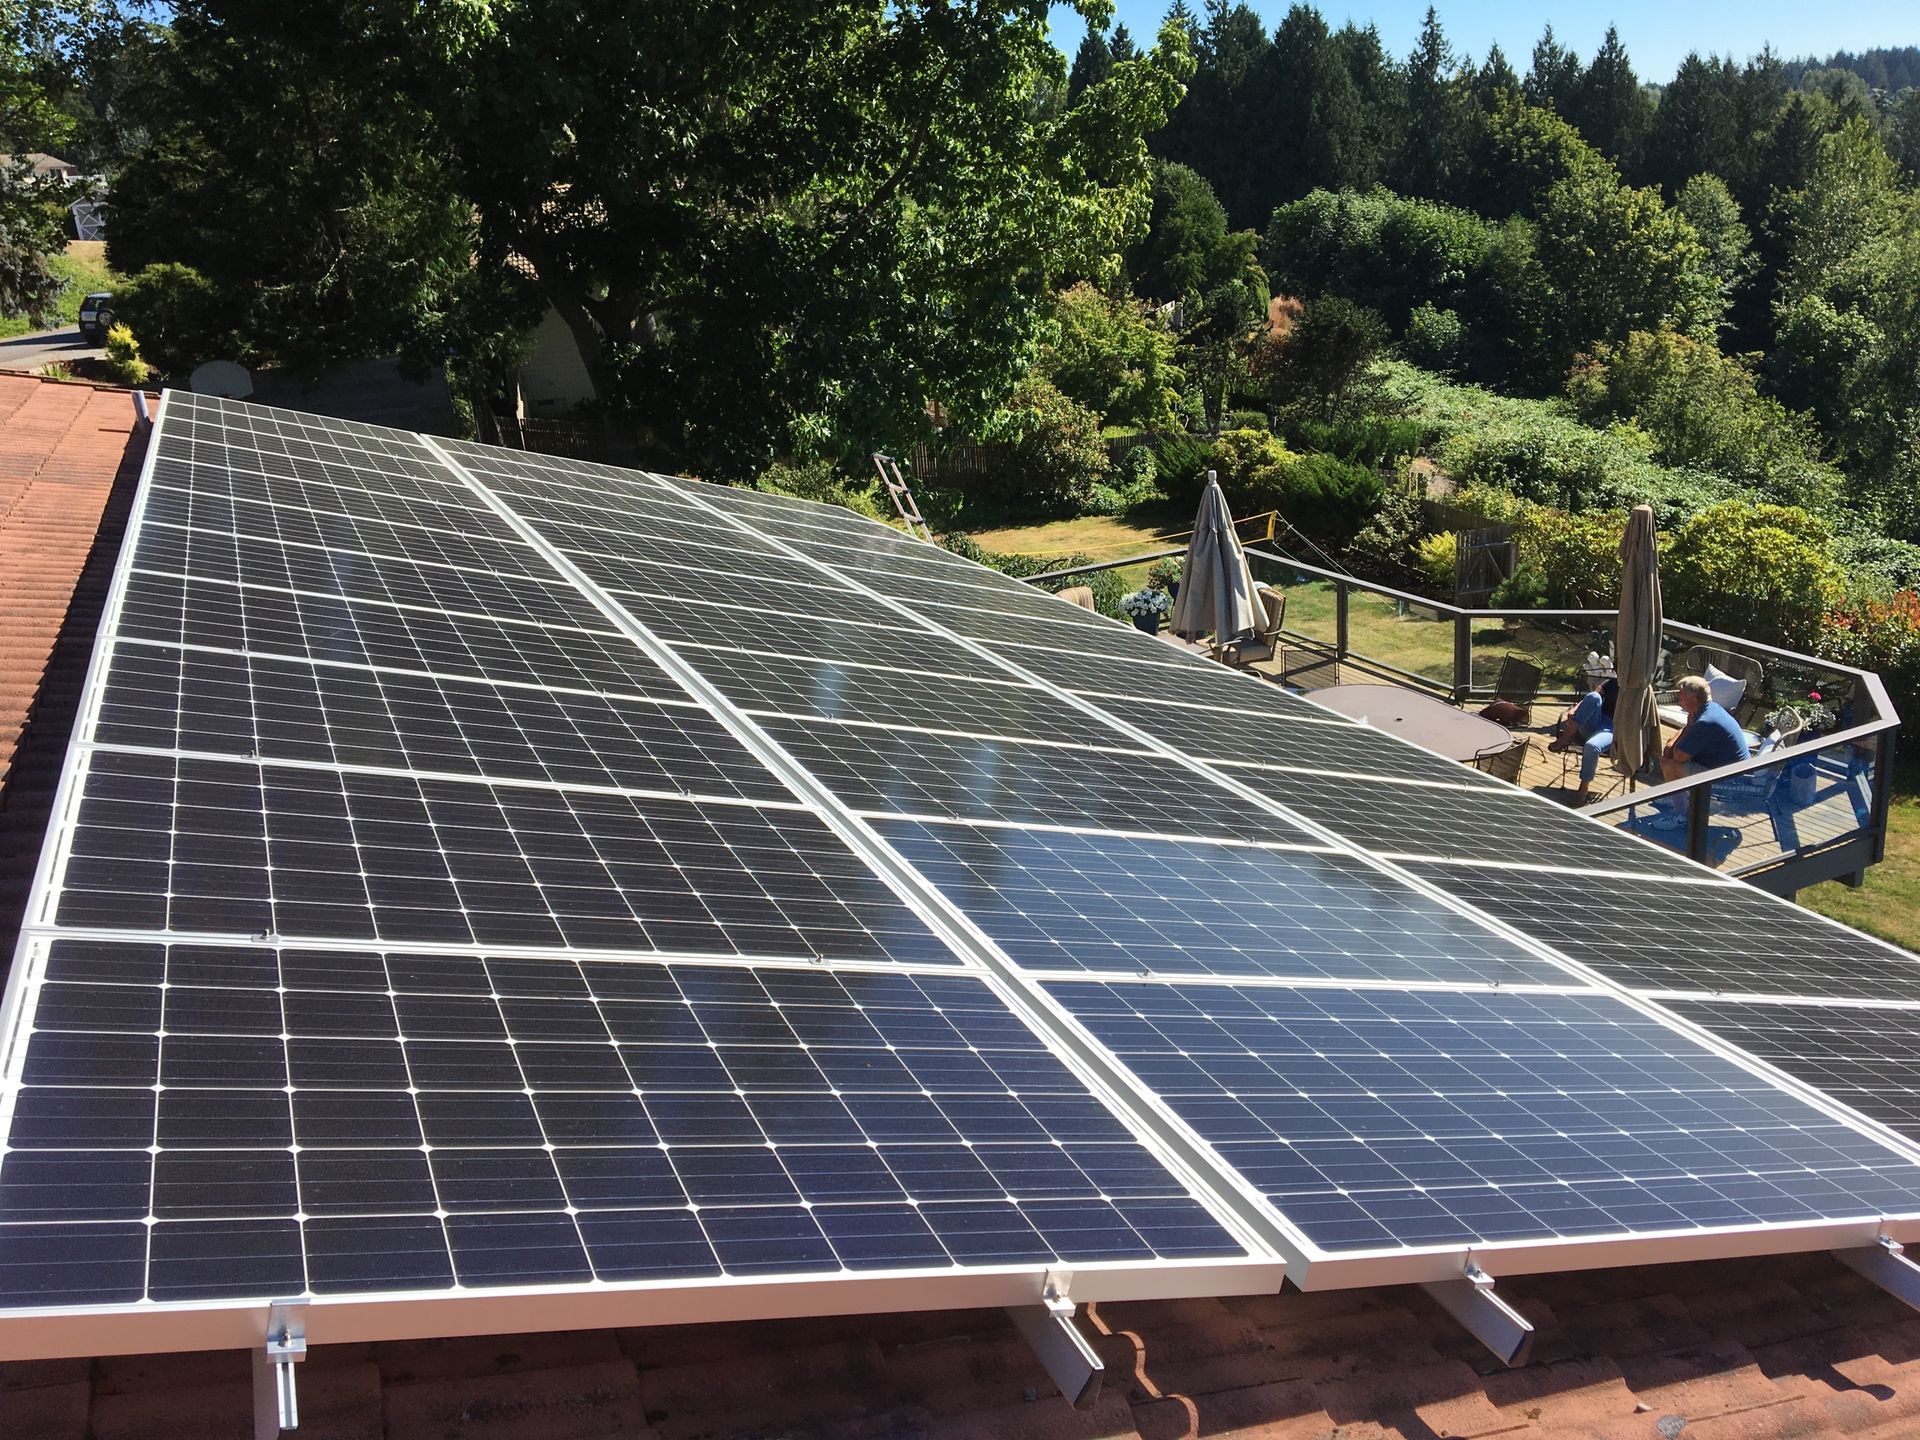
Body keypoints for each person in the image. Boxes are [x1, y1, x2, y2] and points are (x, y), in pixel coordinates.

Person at [1649, 675, 1749, 830]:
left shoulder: (1705, 721)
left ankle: (1683, 816)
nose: (1678, 697)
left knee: (1671, 767)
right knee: (1669, 759)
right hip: (1722, 768)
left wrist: (1687, 729)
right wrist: (1675, 742)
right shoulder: (1709, 709)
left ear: (1694, 698)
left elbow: (1678, 756)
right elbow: (1670, 749)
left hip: (1730, 779)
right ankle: (1676, 796)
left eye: (1681, 694)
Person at [1548, 676, 1618, 802]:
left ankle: (1583, 787)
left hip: (1613, 729)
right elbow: (1591, 697)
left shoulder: (1635, 690)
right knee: (1594, 697)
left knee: (1592, 746)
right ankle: (1566, 738)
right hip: (1594, 720)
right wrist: (1574, 709)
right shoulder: (1611, 682)